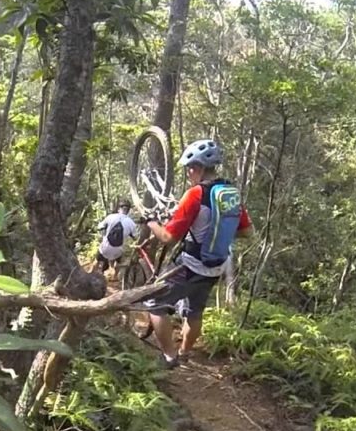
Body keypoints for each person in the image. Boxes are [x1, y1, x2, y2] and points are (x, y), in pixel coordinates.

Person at [142, 139, 253, 368]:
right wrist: (216, 232)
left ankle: (170, 357)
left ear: (198, 168)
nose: (188, 174)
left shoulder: (195, 195)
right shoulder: (230, 193)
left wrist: (150, 222)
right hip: (215, 267)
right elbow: (247, 232)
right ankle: (184, 352)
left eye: (189, 169)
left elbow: (168, 238)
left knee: (155, 305)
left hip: (189, 265)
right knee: (194, 312)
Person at [95, 200, 138, 276]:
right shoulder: (131, 223)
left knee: (98, 258)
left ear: (118, 209)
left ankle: (93, 271)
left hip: (105, 248)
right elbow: (135, 237)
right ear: (128, 211)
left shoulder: (110, 217)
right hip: (118, 251)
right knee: (119, 258)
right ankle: (114, 276)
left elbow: (99, 227)